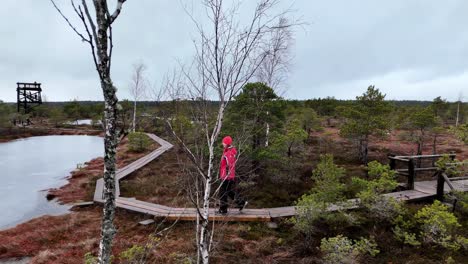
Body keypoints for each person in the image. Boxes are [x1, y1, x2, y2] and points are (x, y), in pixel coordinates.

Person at [217, 136, 247, 215]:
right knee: (228, 191)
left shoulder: (229, 153)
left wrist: (226, 175)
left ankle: (223, 209)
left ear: (227, 143)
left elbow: (229, 165)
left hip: (227, 176)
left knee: (223, 192)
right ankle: (241, 202)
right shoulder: (227, 151)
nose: (222, 144)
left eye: (223, 142)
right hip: (226, 175)